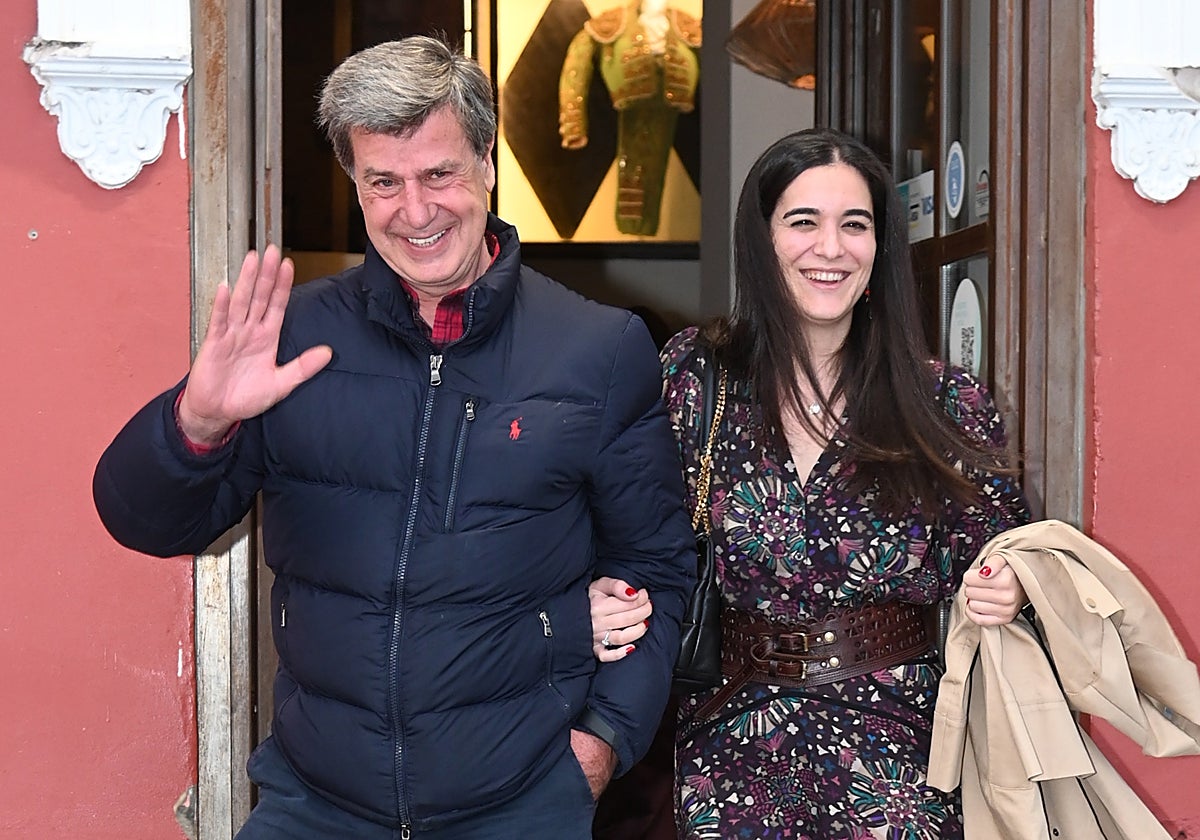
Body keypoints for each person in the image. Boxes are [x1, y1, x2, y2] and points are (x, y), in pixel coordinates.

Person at [91, 35, 695, 840]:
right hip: (314, 805)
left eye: (438, 174)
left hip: (519, 804)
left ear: (486, 161)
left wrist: (600, 746)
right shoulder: (292, 337)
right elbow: (146, 523)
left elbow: (656, 567)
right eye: (384, 182)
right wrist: (198, 421)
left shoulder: (600, 348)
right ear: (356, 184)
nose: (415, 211)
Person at [589, 127, 1032, 839]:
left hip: (899, 762)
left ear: (880, 246)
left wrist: (1009, 586)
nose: (831, 247)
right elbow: (617, 530)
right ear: (761, 240)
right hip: (726, 751)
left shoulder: (945, 402)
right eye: (803, 222)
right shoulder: (694, 378)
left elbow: (1008, 559)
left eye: (854, 225)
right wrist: (600, 591)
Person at [558, 0, 701, 236]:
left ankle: (640, 228)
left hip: (673, 102)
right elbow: (576, 67)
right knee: (635, 166)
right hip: (629, 102)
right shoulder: (612, 22)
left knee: (652, 167)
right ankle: (636, 228)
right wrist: (573, 124)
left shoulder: (685, 24)